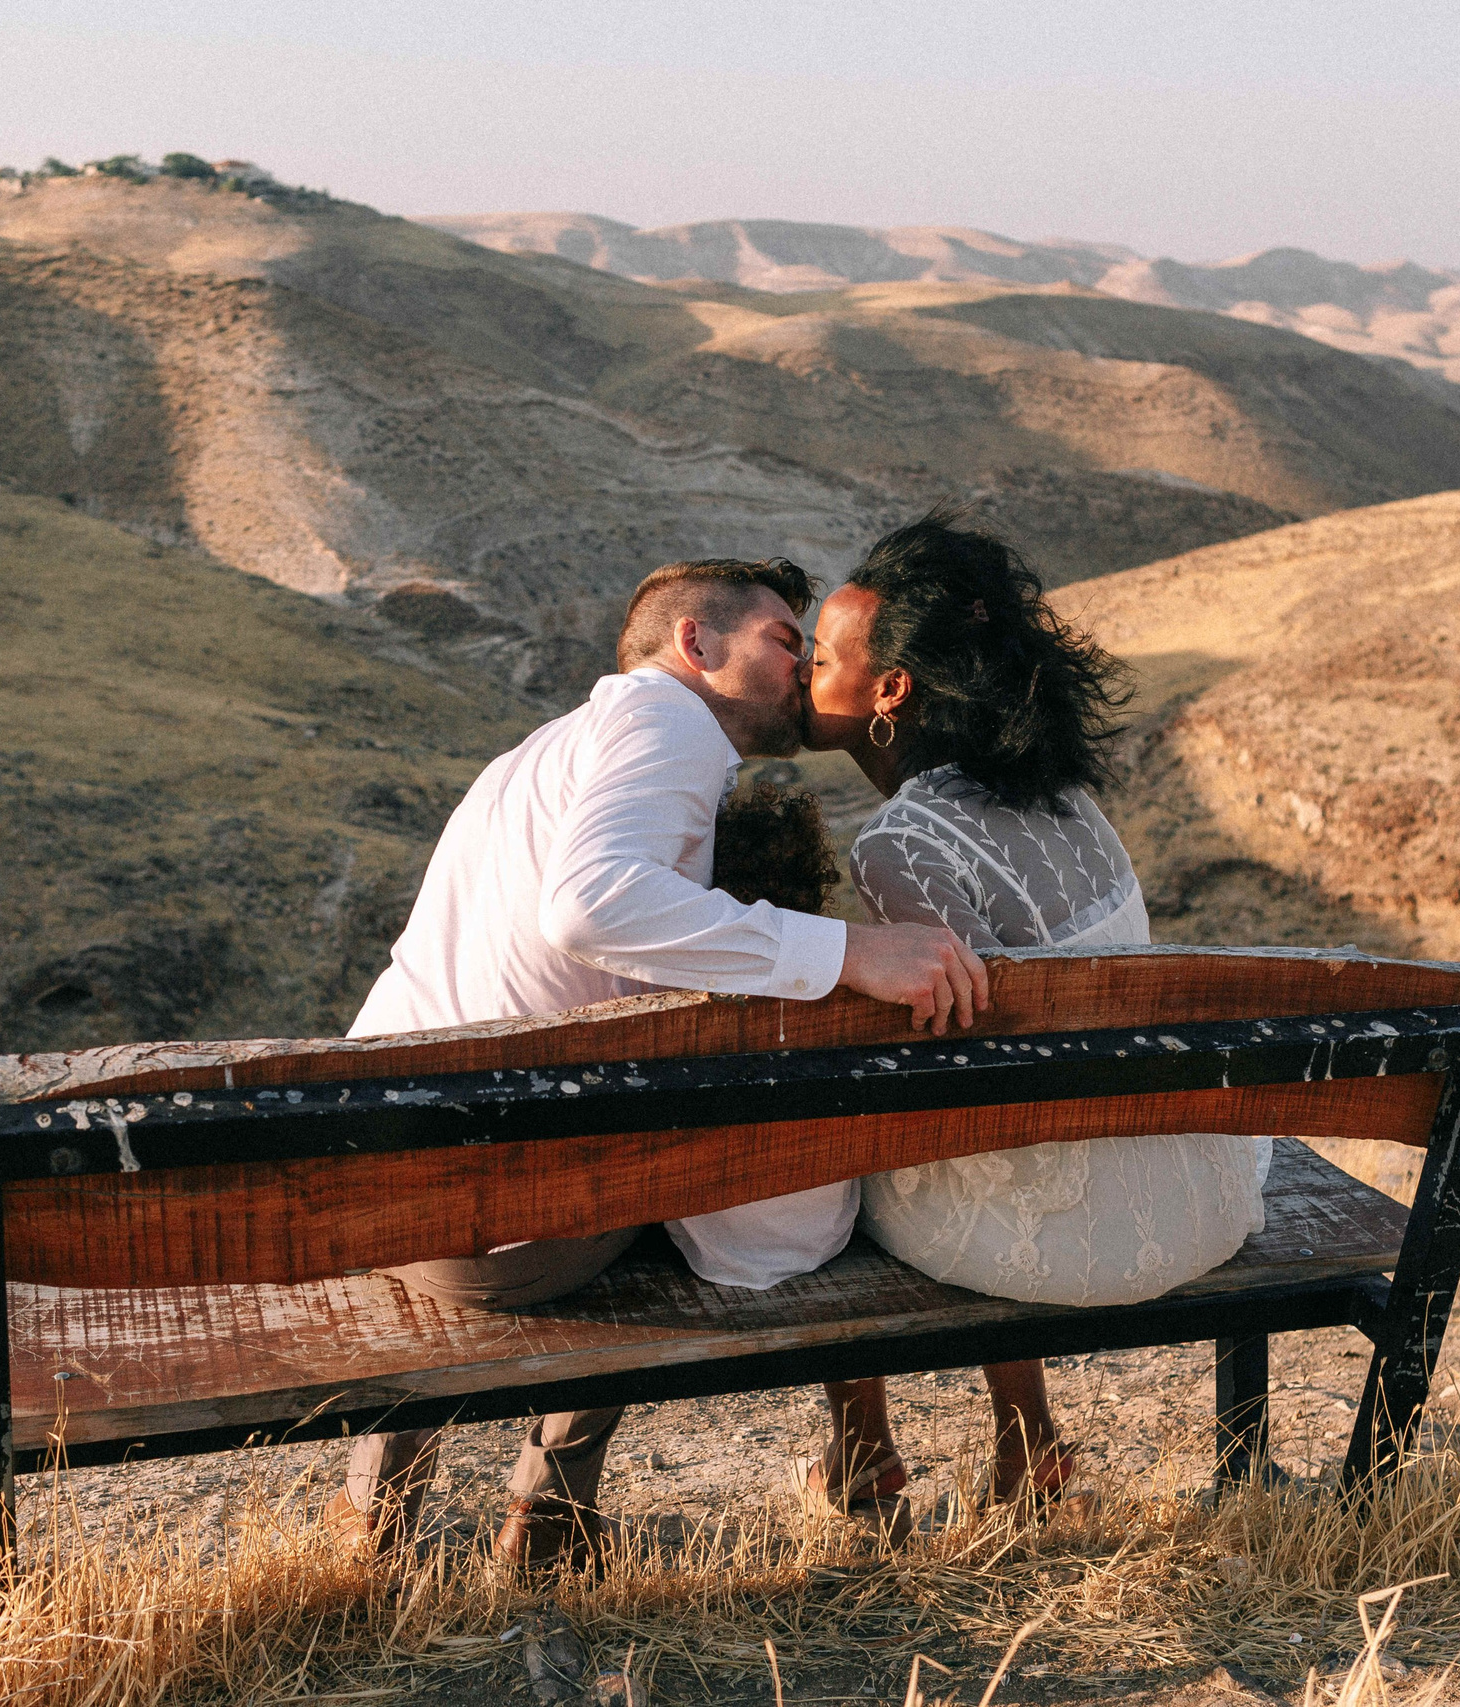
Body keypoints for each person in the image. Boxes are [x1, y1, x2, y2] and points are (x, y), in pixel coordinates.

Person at [329, 555, 991, 1574]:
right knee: (705, 1194)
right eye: (782, 640)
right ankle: (548, 1515)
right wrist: (848, 952)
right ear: (695, 645)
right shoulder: (666, 724)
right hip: (503, 1229)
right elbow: (592, 907)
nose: (803, 661)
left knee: (634, 1146)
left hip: (377, 1177)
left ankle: (376, 1524)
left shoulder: (534, 758)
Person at [796, 508, 1268, 1520]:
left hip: (1078, 1234)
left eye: (823, 657)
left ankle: (860, 1443)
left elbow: (963, 1071)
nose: (804, 673)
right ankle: (1027, 1440)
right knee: (999, 1123)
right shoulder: (1061, 795)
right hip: (1195, 1187)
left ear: (890, 693)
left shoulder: (898, 845)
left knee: (824, 1159)